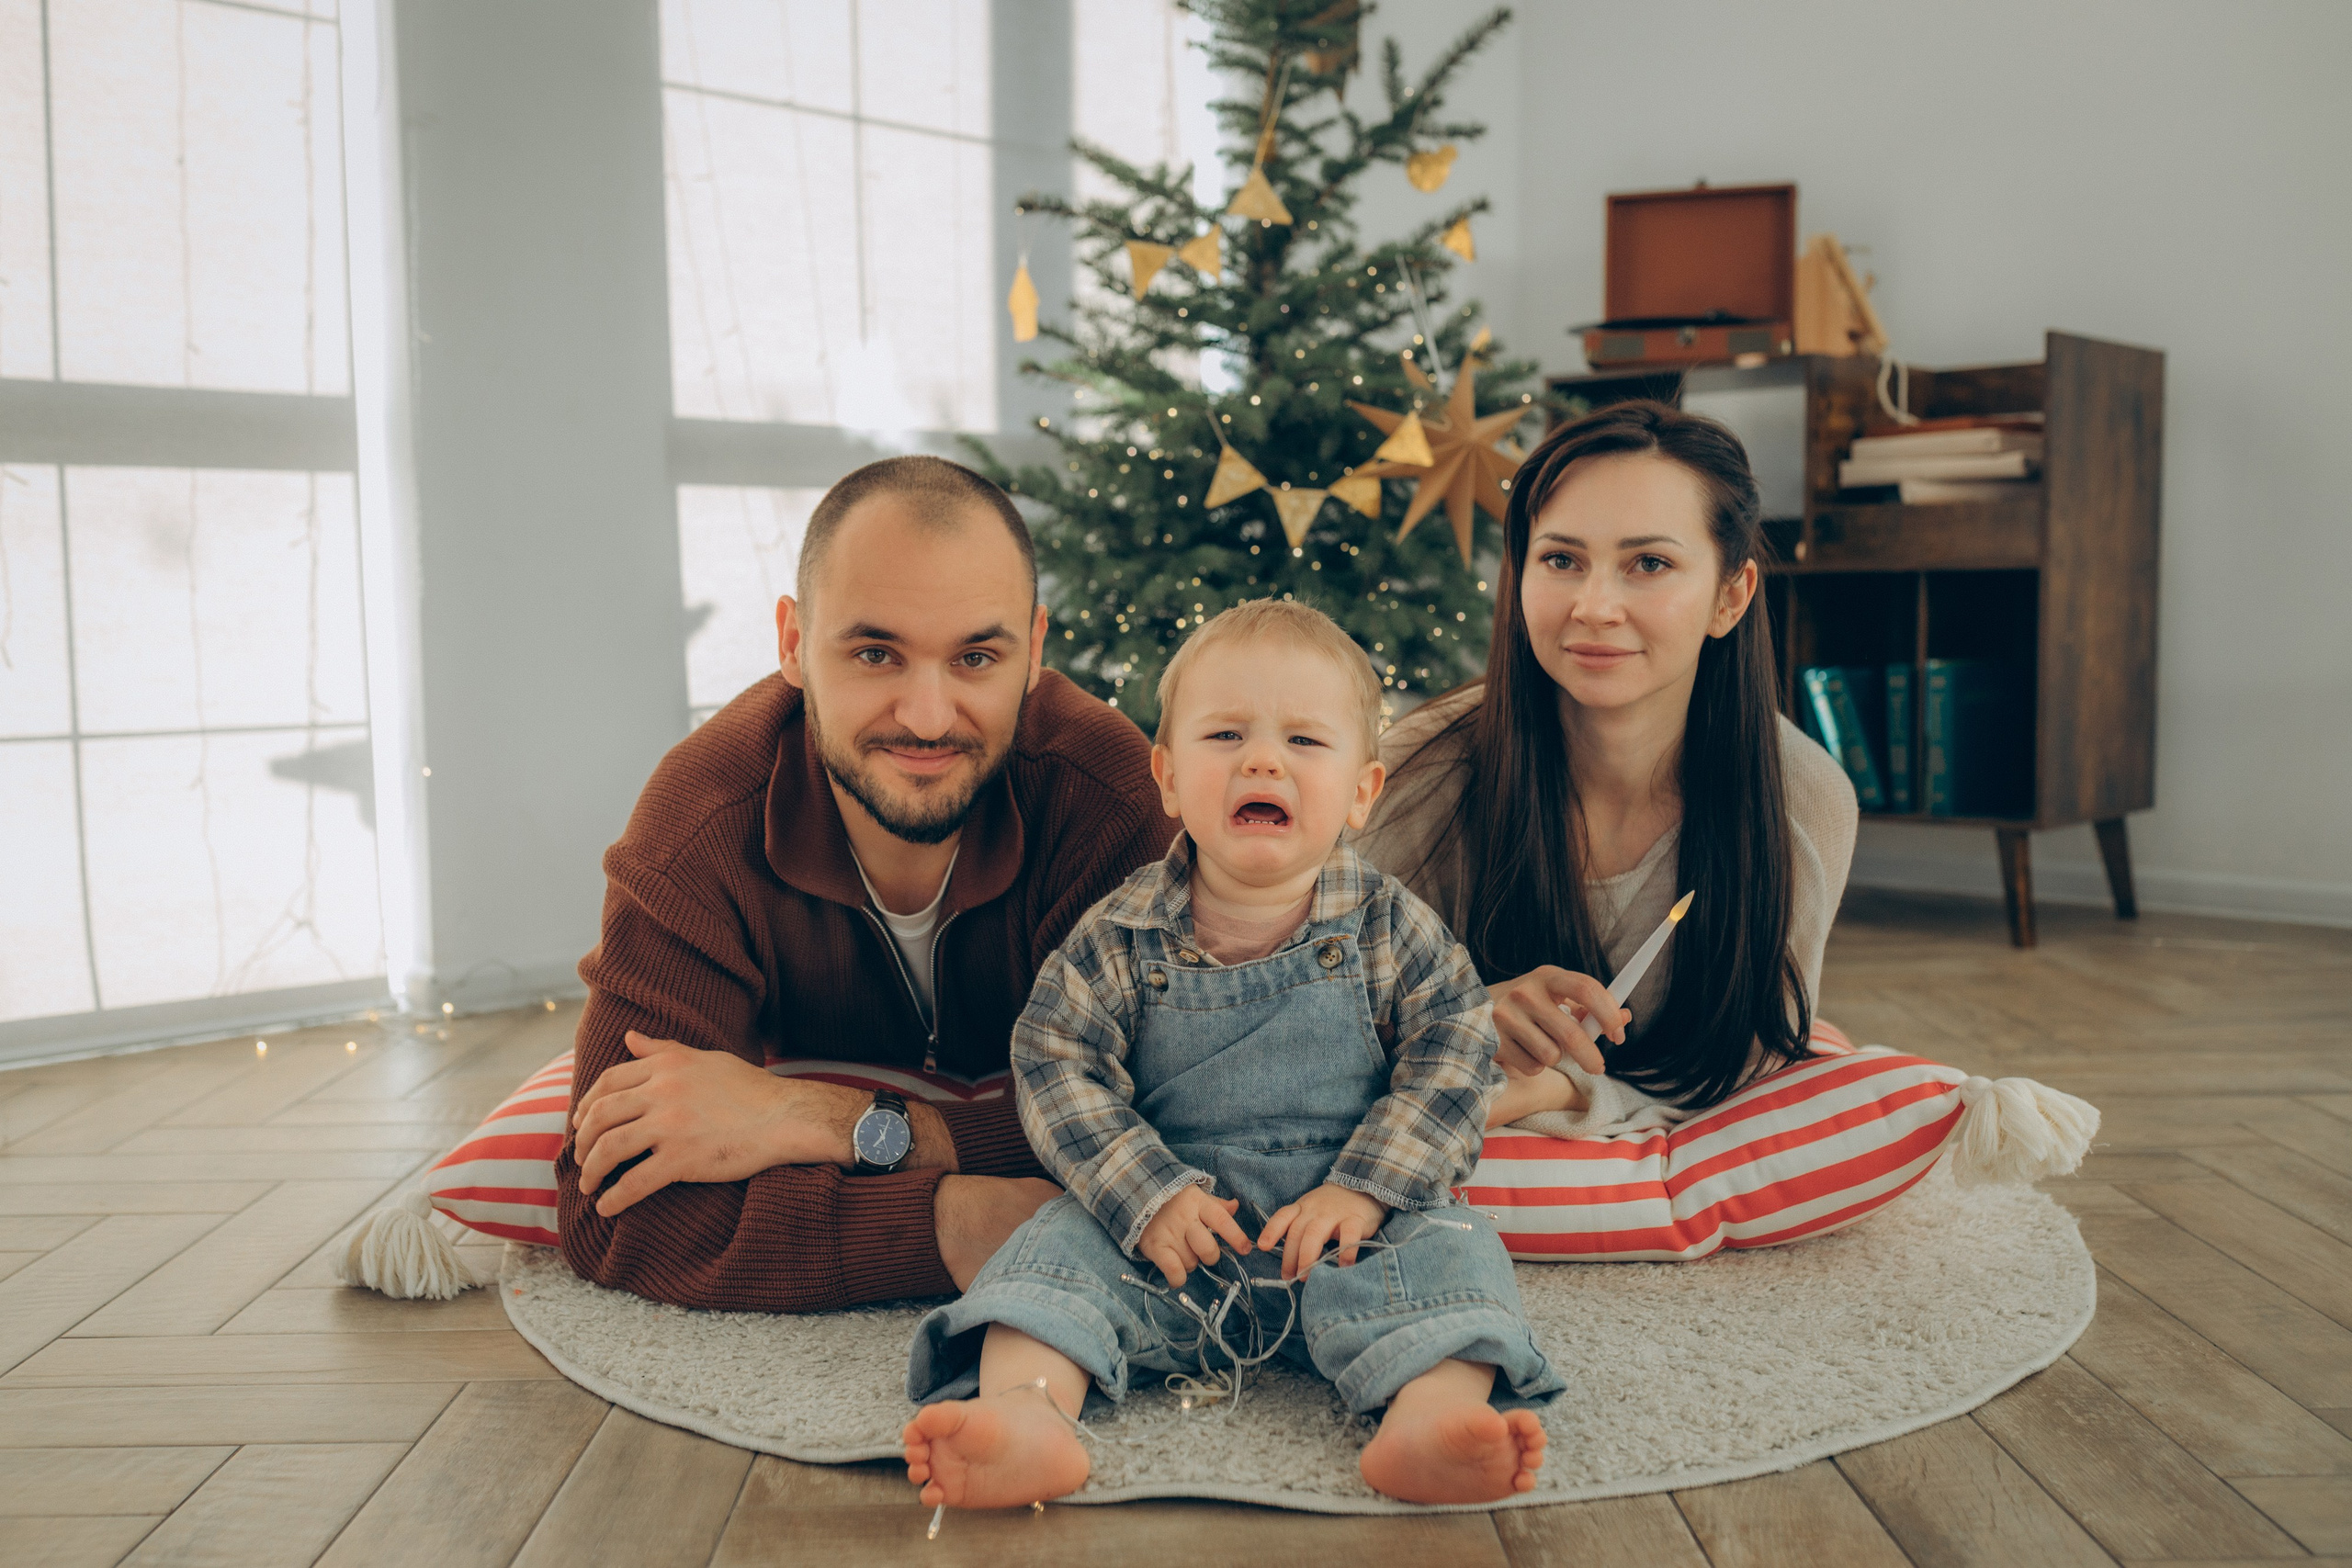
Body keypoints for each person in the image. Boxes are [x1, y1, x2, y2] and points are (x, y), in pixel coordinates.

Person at [900, 600, 1562, 1512]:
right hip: (1175, 1231)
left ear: (1363, 792)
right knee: (1047, 1258)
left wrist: (1369, 1187)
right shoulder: (1121, 933)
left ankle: (1430, 1418)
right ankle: (1027, 1413)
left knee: (1455, 1253)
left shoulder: (1392, 927)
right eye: (1225, 735)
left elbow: (1455, 1052)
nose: (1262, 760)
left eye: (1303, 740)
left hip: (1349, 1231)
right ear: (1168, 778)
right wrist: (1145, 1193)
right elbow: (1055, 1059)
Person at [557, 456, 1176, 1311]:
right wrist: (947, 1222)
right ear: (792, 644)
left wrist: (814, 1119)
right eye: (876, 652)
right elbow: (614, 1213)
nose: (926, 715)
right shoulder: (700, 817)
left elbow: (1181, 1122)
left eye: (975, 657)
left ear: (1033, 652)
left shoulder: (1105, 799)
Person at [1357, 400, 1858, 1146]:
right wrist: (1460, 1014)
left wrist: (1559, 1090)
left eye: (1648, 564)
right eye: (1561, 560)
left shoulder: (1804, 797)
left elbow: (1744, 1072)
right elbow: (1307, 1012)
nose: (1595, 607)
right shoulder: (1423, 766)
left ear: (1731, 596)